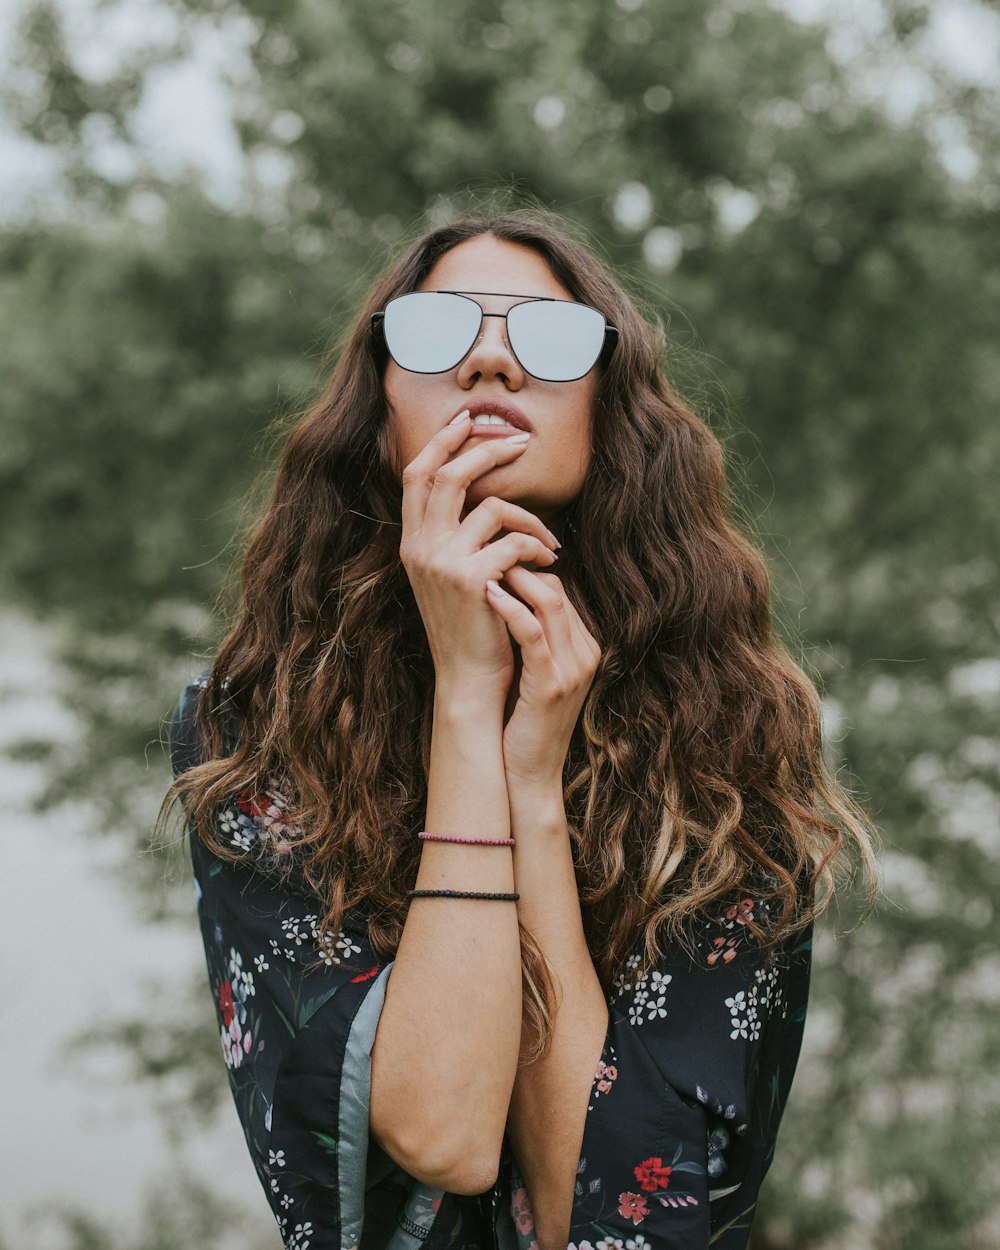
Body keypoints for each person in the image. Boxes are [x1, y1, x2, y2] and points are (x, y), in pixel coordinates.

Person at [166, 209, 877, 1250]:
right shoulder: (261, 718)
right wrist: (466, 694)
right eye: (436, 330)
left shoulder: (733, 728)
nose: (490, 355)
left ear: (607, 404)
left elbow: (610, 1207)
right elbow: (442, 1137)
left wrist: (532, 785)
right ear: (380, 408)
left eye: (545, 337)